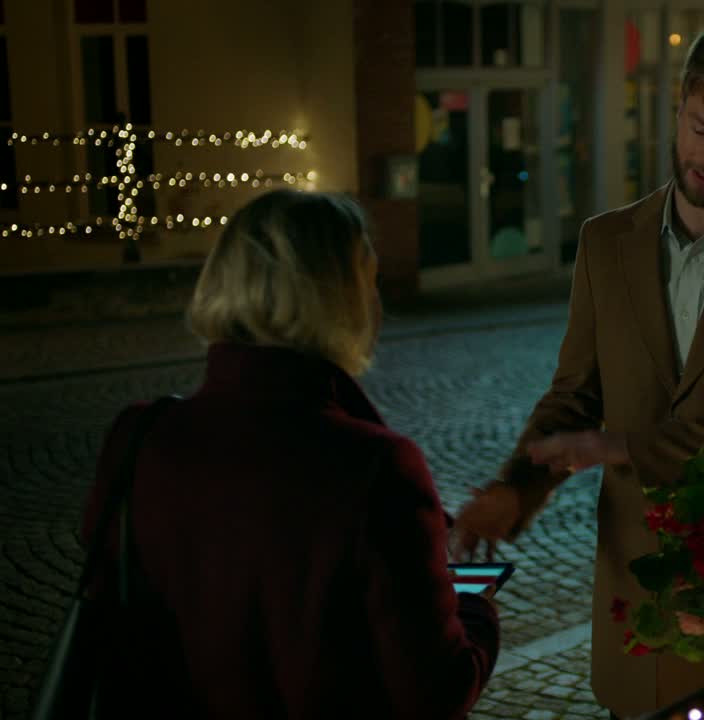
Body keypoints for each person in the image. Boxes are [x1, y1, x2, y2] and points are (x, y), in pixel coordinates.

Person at [453, 22, 704, 720]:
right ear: (679, 107)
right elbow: (575, 395)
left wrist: (626, 447)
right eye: (701, 128)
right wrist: (517, 490)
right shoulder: (605, 242)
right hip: (634, 601)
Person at [81, 189, 500, 719]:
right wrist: (475, 605)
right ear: (343, 301)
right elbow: (436, 692)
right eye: (369, 283)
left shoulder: (140, 437)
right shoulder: (376, 466)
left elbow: (111, 615)